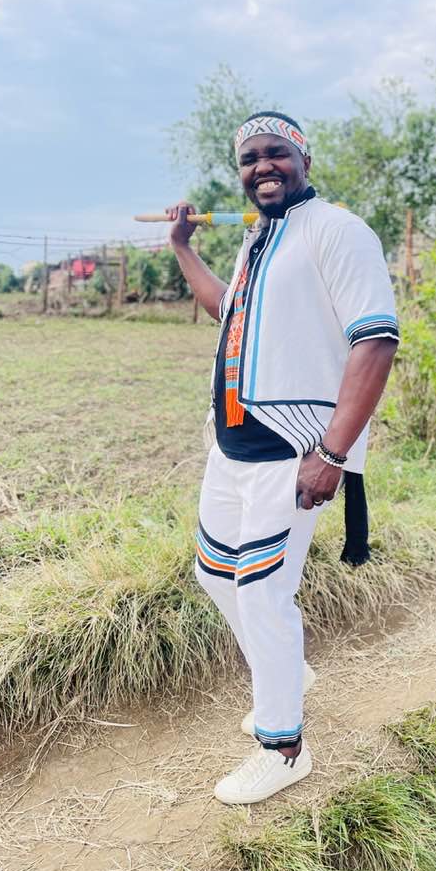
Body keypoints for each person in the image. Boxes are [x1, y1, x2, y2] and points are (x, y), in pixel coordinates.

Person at [166, 110, 398, 805]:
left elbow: (376, 340)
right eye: (249, 159)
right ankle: (289, 672)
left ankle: (283, 747)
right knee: (215, 574)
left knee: (262, 594)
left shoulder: (337, 230)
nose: (262, 167)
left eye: (275, 153)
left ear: (303, 159)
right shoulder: (259, 238)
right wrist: (182, 249)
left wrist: (333, 451)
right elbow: (228, 311)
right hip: (232, 446)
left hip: (292, 449)